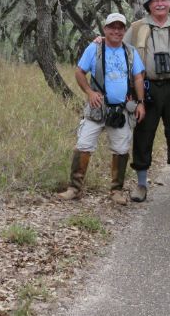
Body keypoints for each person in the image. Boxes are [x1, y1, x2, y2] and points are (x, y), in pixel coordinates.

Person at [58, 13, 146, 205]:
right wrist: (90, 92)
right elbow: (79, 72)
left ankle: (116, 190)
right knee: (83, 145)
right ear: (105, 29)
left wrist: (140, 102)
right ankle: (74, 188)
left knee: (121, 150)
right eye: (112, 27)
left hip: (121, 110)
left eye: (120, 28)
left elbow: (139, 77)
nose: (116, 31)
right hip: (97, 108)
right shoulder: (95, 48)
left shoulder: (130, 52)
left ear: (124, 30)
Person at [125, 0, 170, 202]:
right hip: (146, 88)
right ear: (149, 4)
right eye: (156, 1)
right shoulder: (136, 28)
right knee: (143, 134)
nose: (160, 4)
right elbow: (121, 51)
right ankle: (141, 185)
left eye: (164, 0)